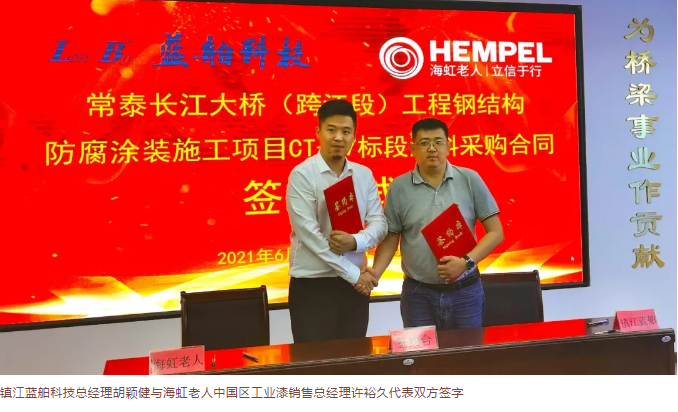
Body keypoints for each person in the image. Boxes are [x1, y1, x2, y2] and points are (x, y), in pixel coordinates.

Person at [366, 118, 504, 330]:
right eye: (424, 143)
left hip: (465, 291)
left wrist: (466, 263)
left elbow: (496, 232)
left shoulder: (469, 179)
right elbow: (391, 238)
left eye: (438, 142)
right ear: (412, 148)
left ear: (448, 146)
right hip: (418, 295)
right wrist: (375, 273)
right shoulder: (399, 187)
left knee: (467, 351)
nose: (432, 148)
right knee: (421, 352)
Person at [285, 99, 387, 343]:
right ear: (318, 132)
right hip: (313, 286)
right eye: (331, 130)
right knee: (314, 361)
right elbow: (309, 236)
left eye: (346, 131)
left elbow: (379, 223)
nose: (338, 137)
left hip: (355, 288)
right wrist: (353, 274)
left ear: (354, 137)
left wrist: (355, 242)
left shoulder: (363, 174)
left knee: (354, 357)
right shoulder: (302, 174)